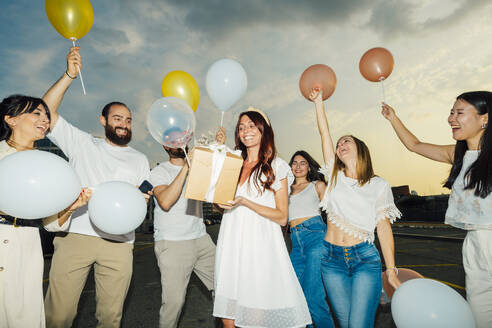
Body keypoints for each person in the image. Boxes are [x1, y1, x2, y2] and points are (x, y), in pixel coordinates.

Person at [42, 47, 150, 327]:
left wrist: (143, 200)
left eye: (128, 120)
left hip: (120, 243)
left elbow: (141, 199)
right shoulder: (82, 143)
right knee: (59, 316)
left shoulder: (140, 159)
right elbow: (46, 111)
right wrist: (69, 75)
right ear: (103, 121)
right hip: (76, 236)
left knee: (111, 318)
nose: (124, 124)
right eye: (117, 118)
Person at [381, 92, 491, 327]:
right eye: (451, 112)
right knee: (481, 318)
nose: (451, 118)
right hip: (474, 244)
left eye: (459, 113)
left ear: (485, 119)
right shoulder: (458, 155)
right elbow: (415, 145)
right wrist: (393, 118)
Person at [213, 107, 311, 328]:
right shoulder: (233, 163)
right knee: (227, 313)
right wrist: (219, 204)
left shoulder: (277, 165)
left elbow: (282, 217)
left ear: (263, 129)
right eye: (241, 127)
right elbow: (221, 205)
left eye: (251, 125)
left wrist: (246, 201)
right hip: (230, 242)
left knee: (253, 316)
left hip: (259, 247)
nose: (245, 130)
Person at [311, 89, 401, 328]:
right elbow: (325, 133)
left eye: (347, 141)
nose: (341, 144)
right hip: (331, 260)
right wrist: (319, 102)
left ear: (360, 148)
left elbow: (383, 228)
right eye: (339, 144)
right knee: (346, 322)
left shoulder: (379, 185)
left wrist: (391, 270)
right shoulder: (333, 176)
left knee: (359, 324)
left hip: (364, 259)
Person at [0, 94, 90, 328]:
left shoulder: (49, 165)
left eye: (46, 115)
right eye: (36, 113)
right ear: (11, 119)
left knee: (24, 313)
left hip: (28, 245)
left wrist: (70, 208)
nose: (45, 119)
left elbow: (51, 224)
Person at [150, 127, 225, 328]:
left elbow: (217, 199)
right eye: (173, 141)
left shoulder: (199, 168)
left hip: (201, 239)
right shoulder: (159, 171)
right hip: (173, 243)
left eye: (181, 139)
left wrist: (220, 149)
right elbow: (165, 201)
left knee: (226, 287)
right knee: (174, 303)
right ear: (166, 146)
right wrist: (186, 168)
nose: (179, 143)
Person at [288, 150, 334, 328]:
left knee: (313, 297)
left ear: (308, 167)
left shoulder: (317, 185)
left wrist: (331, 241)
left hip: (315, 238)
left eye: (302, 163)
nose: (298, 166)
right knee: (294, 296)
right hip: (295, 244)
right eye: (294, 163)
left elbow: (332, 214)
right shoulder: (285, 189)